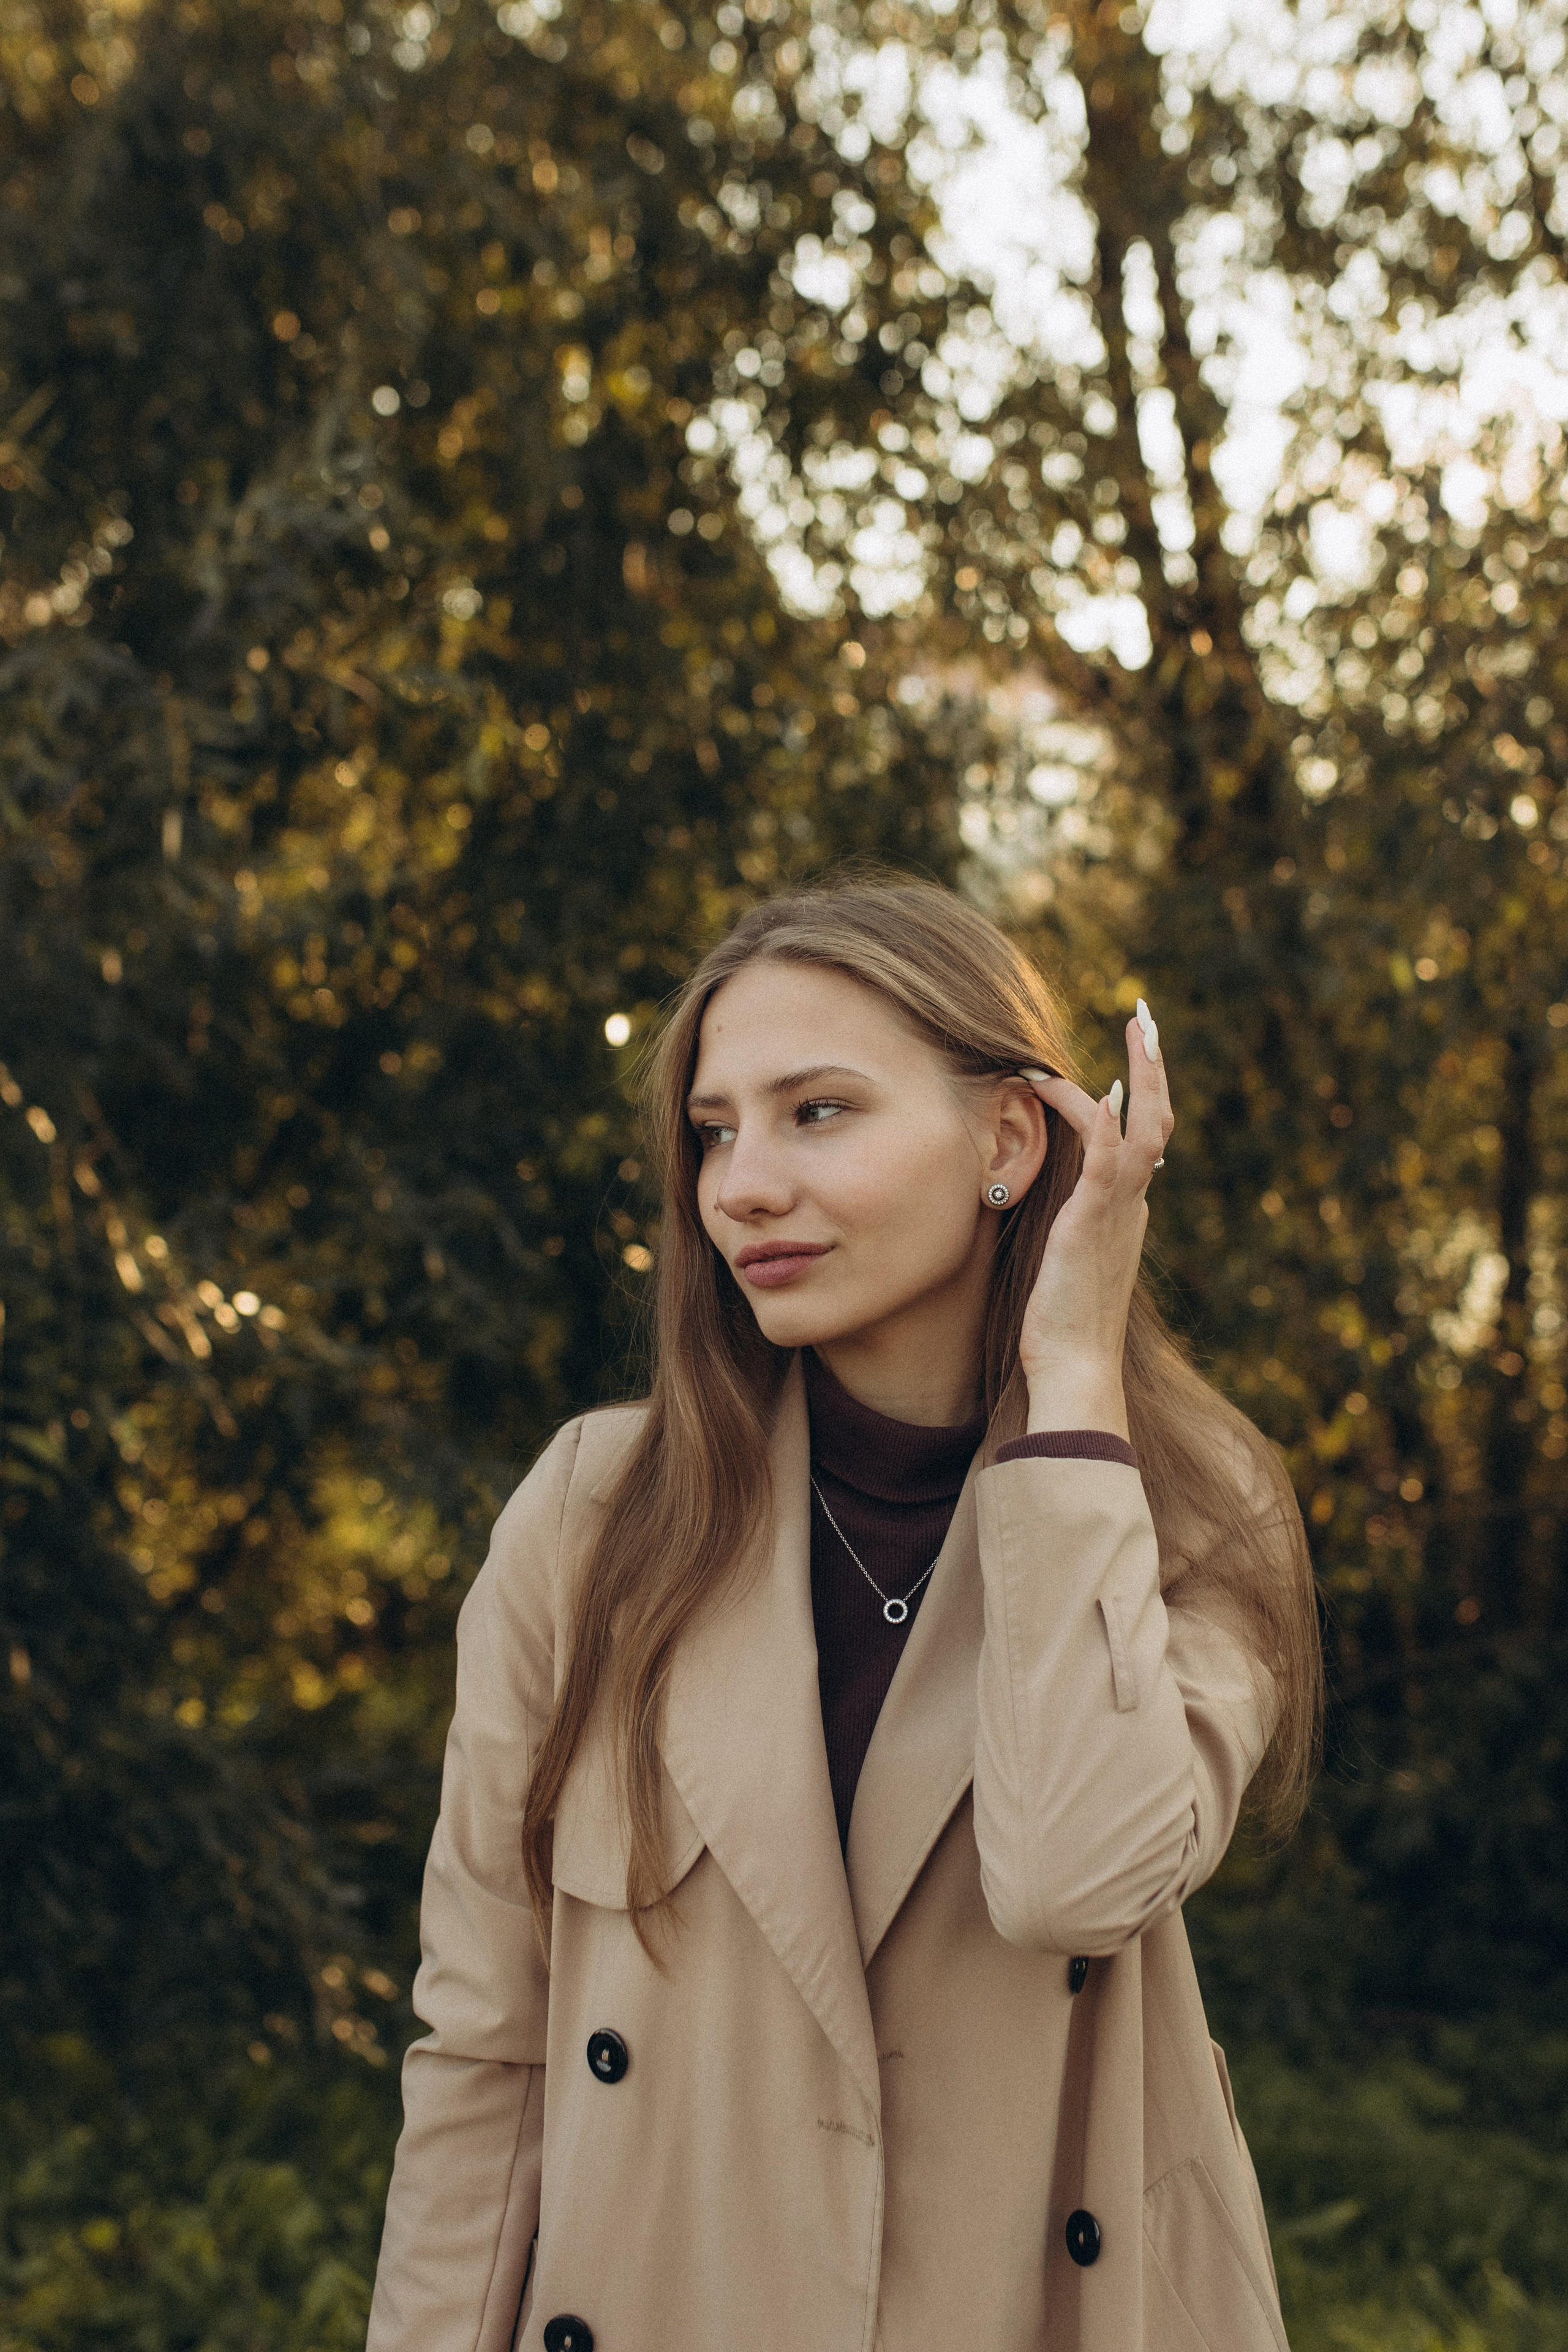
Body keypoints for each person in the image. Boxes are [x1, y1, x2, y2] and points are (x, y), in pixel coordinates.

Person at [366, 876, 1320, 2352]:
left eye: (815, 1112)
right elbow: (484, 2053)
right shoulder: (591, 1516)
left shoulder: (1196, 1511)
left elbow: (1074, 1879)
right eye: (713, 1130)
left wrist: (1070, 1389)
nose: (741, 1183)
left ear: (1008, 1141)